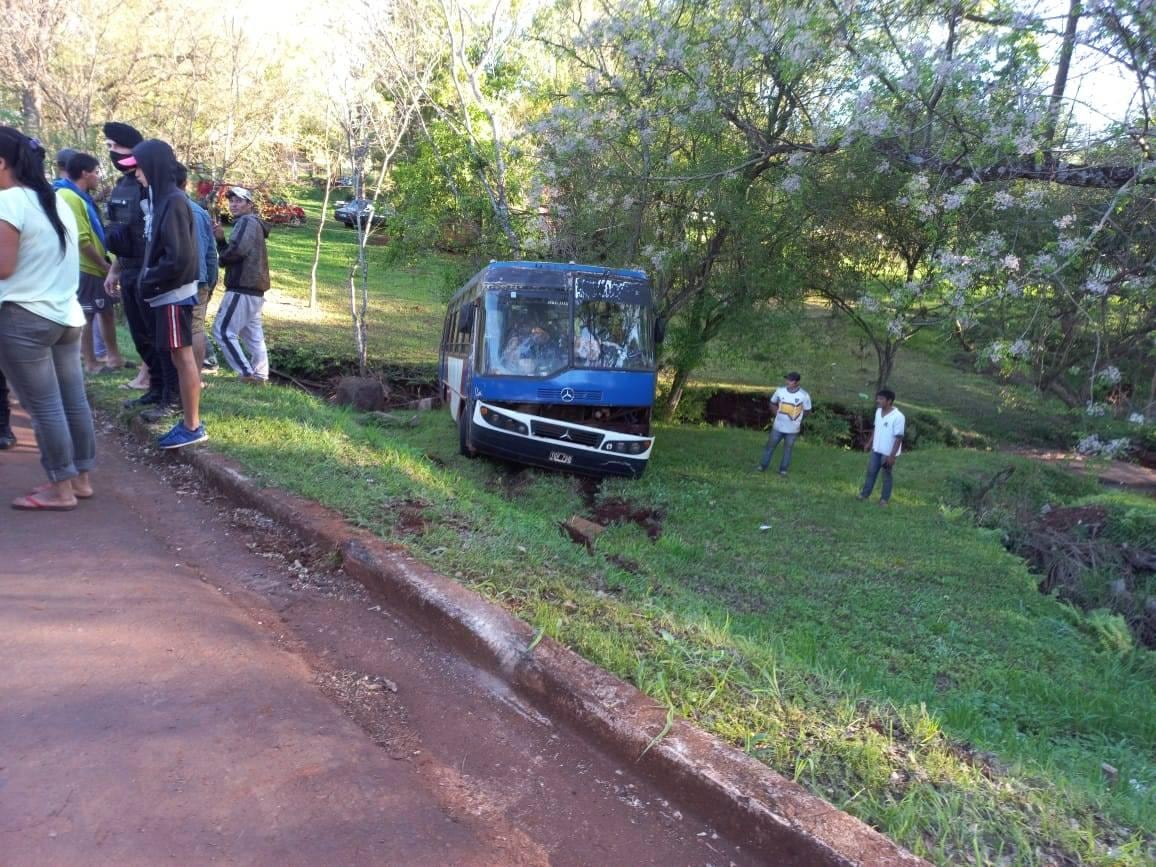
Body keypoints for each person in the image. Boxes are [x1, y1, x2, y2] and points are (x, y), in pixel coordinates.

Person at [0, 127, 95, 510]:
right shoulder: (55, 201)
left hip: (25, 319)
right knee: (74, 401)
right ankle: (81, 479)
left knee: (44, 407)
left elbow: (3, 269)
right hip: (65, 317)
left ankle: (61, 489)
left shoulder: (8, 203)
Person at [126, 138, 207, 449]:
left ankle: (192, 426)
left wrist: (148, 279)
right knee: (178, 356)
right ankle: (190, 421)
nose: (136, 174)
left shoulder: (173, 201)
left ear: (155, 166)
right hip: (167, 294)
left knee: (183, 358)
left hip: (174, 295)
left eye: (140, 167)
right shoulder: (163, 199)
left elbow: (179, 257)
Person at [103, 121, 179, 416]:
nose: (111, 153)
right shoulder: (123, 185)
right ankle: (155, 389)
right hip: (131, 269)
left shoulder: (157, 186)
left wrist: (154, 273)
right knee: (141, 336)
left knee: (160, 339)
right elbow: (123, 230)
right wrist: (115, 270)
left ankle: (169, 397)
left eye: (114, 147)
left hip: (153, 273)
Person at [58, 152, 125, 373]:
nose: (98, 177)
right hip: (86, 266)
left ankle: (114, 358)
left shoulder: (82, 197)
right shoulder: (69, 197)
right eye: (96, 172)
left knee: (106, 311)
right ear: (85, 173)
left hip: (99, 263)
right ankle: (91, 362)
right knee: (87, 313)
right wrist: (105, 266)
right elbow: (81, 239)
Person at [212, 187, 270, 383]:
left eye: (239, 201)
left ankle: (247, 374)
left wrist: (220, 247)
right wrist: (221, 239)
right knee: (252, 335)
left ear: (249, 204)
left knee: (222, 331)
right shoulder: (253, 224)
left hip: (243, 287)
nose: (234, 204)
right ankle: (261, 374)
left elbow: (236, 251)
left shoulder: (246, 221)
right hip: (255, 289)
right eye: (231, 201)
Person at [175, 163, 219, 380]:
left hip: (180, 281)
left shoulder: (168, 210)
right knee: (196, 328)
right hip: (200, 279)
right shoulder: (200, 212)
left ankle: (188, 378)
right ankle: (195, 378)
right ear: (185, 183)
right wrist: (211, 282)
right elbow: (212, 253)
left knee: (189, 329)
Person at [757, 372, 812, 476]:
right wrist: (776, 413)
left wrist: (799, 419)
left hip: (792, 429)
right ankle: (763, 466)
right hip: (778, 427)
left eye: (790, 380)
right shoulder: (780, 391)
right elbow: (772, 403)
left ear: (797, 382)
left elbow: (807, 410)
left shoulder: (804, 395)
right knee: (770, 446)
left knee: (788, 449)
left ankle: (783, 470)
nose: (788, 382)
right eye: (787, 379)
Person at [858, 388, 905, 506]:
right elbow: (876, 428)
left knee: (886, 475)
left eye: (881, 399)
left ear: (889, 401)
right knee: (871, 472)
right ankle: (864, 494)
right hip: (876, 449)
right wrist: (869, 443)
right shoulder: (878, 412)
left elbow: (899, 437)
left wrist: (892, 456)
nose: (878, 401)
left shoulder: (898, 416)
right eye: (878, 398)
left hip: (888, 453)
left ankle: (884, 499)